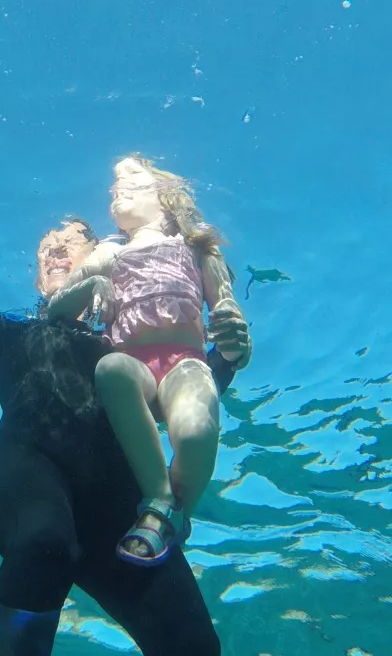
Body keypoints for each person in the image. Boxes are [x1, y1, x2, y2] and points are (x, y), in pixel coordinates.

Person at [0, 148, 250, 656]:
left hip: (113, 504)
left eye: (71, 242)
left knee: (194, 645)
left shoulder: (130, 347)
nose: (55, 249)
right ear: (37, 278)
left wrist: (226, 353)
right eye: (46, 247)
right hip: (24, 472)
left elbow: (186, 400)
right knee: (46, 542)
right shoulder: (16, 332)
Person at [44, 156, 250, 566]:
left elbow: (229, 316)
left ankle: (177, 514)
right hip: (133, 366)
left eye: (131, 175)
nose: (116, 184)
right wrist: (92, 283)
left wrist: (237, 341)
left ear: (166, 195)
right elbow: (57, 309)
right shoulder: (110, 252)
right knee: (111, 368)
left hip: (185, 363)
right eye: (115, 179)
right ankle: (159, 502)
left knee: (195, 431)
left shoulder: (199, 249)